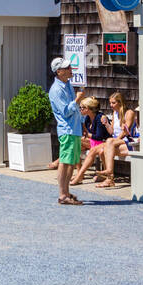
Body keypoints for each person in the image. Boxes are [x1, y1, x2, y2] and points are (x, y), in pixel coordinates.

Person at [49, 56, 84, 206]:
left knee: (71, 162)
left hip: (74, 129)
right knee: (64, 162)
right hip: (67, 130)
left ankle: (66, 192)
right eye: (67, 68)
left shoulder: (67, 84)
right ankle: (62, 195)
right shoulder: (56, 90)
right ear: (59, 72)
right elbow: (65, 111)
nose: (71, 70)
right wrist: (77, 100)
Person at [93, 106, 139, 187]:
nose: (111, 105)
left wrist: (115, 140)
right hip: (125, 142)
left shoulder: (130, 114)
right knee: (102, 150)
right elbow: (113, 132)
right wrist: (106, 124)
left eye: (113, 103)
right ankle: (109, 178)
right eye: (110, 103)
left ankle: (109, 175)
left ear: (120, 103)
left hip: (130, 143)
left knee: (108, 144)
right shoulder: (136, 121)